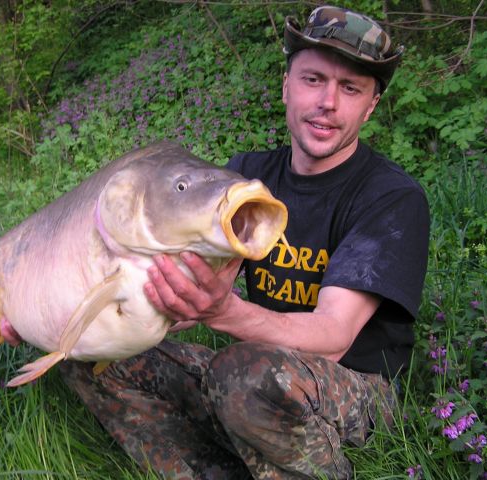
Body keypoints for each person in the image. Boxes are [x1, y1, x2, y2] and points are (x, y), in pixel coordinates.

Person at [61, 5, 430, 480]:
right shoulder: (249, 176)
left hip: (356, 390)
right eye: (313, 79)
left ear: (371, 105)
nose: (328, 103)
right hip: (259, 370)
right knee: (94, 359)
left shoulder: (390, 198)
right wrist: (67, 317)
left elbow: (334, 338)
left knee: (247, 375)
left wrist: (225, 313)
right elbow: (193, 292)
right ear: (286, 85)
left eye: (351, 88)